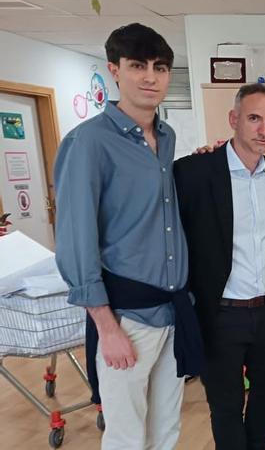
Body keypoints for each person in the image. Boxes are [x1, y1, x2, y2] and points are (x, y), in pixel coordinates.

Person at [54, 23, 203, 449]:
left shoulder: (168, 137)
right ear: (114, 70)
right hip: (127, 318)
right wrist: (106, 325)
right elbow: (76, 238)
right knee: (125, 435)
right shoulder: (88, 143)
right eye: (138, 66)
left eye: (159, 67)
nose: (150, 77)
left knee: (166, 429)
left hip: (173, 311)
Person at [174, 83, 265, 450]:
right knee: (225, 406)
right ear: (233, 119)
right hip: (221, 314)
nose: (264, 130)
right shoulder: (194, 171)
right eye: (254, 119)